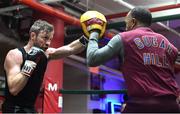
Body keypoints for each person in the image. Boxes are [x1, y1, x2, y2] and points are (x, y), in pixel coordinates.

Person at [81, 7, 180, 112]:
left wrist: (94, 31)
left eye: (126, 23)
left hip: (141, 106)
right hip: (171, 106)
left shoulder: (124, 38)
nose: (125, 27)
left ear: (133, 22)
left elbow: (92, 59)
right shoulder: (168, 44)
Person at [2, 19, 87, 113]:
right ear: (33, 35)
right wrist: (30, 63)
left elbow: (71, 49)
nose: (48, 43)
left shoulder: (46, 54)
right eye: (45, 38)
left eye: (50, 39)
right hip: (13, 109)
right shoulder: (15, 55)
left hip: (29, 109)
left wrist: (88, 37)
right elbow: (14, 89)